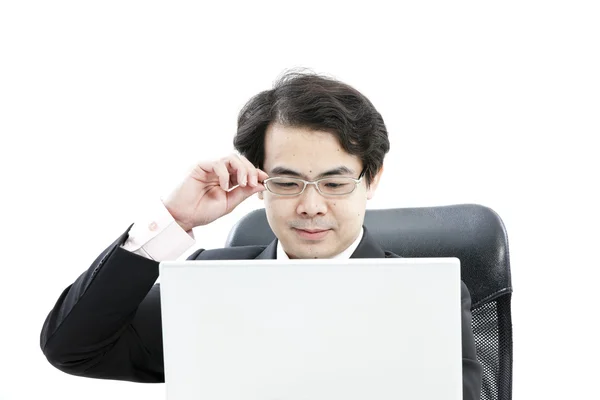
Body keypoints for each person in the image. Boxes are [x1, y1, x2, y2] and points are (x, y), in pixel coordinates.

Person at [40, 70, 483, 399]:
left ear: (372, 179)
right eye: (287, 183)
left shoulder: (424, 295)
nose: (310, 206)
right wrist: (175, 220)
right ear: (258, 182)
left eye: (334, 183)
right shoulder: (209, 284)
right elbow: (72, 347)